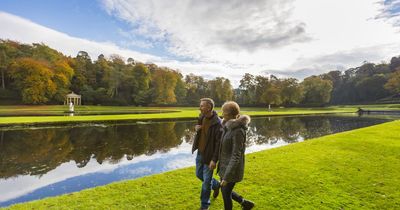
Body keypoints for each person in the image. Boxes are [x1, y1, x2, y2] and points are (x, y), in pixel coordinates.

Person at [218, 101, 254, 210]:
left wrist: (227, 176)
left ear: (229, 114)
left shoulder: (238, 131)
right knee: (225, 190)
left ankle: (245, 204)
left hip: (232, 169)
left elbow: (236, 155)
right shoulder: (227, 126)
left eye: (223, 112)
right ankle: (246, 203)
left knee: (225, 192)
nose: (222, 114)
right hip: (224, 167)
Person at [192, 98, 223, 210]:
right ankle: (216, 185)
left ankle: (204, 206)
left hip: (209, 156)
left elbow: (218, 144)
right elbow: (201, 132)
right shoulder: (201, 117)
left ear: (209, 107)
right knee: (199, 175)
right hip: (200, 153)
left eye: (202, 106)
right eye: (200, 105)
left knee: (206, 183)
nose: (200, 108)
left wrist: (214, 160)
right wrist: (196, 129)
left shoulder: (218, 123)